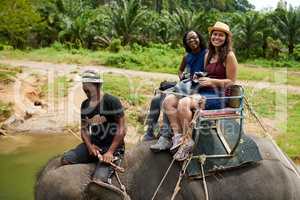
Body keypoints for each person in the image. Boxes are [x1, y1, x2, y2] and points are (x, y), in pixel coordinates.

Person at [163, 21, 238, 160]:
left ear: (226, 38)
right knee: (168, 101)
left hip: (218, 96)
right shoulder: (209, 54)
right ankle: (178, 136)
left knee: (184, 103)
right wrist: (200, 78)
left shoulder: (229, 56)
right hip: (204, 91)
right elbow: (207, 74)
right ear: (211, 36)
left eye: (221, 35)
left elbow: (231, 82)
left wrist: (212, 81)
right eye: (215, 34)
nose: (217, 37)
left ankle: (187, 141)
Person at [61, 70, 126, 184]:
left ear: (98, 86)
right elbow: (84, 129)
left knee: (99, 180)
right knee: (66, 159)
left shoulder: (111, 101)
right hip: (94, 146)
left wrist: (110, 152)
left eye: (89, 87)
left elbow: (122, 128)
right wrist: (90, 146)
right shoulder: (85, 104)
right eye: (84, 87)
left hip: (111, 147)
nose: (86, 90)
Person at [147, 30, 207, 152]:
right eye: (189, 39)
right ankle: (154, 132)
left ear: (199, 38)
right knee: (161, 97)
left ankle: (166, 135)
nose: (192, 41)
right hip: (188, 85)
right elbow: (180, 70)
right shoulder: (187, 56)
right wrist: (182, 77)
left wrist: (201, 76)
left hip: (199, 87)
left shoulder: (206, 54)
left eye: (194, 38)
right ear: (186, 43)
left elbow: (210, 71)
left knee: (169, 96)